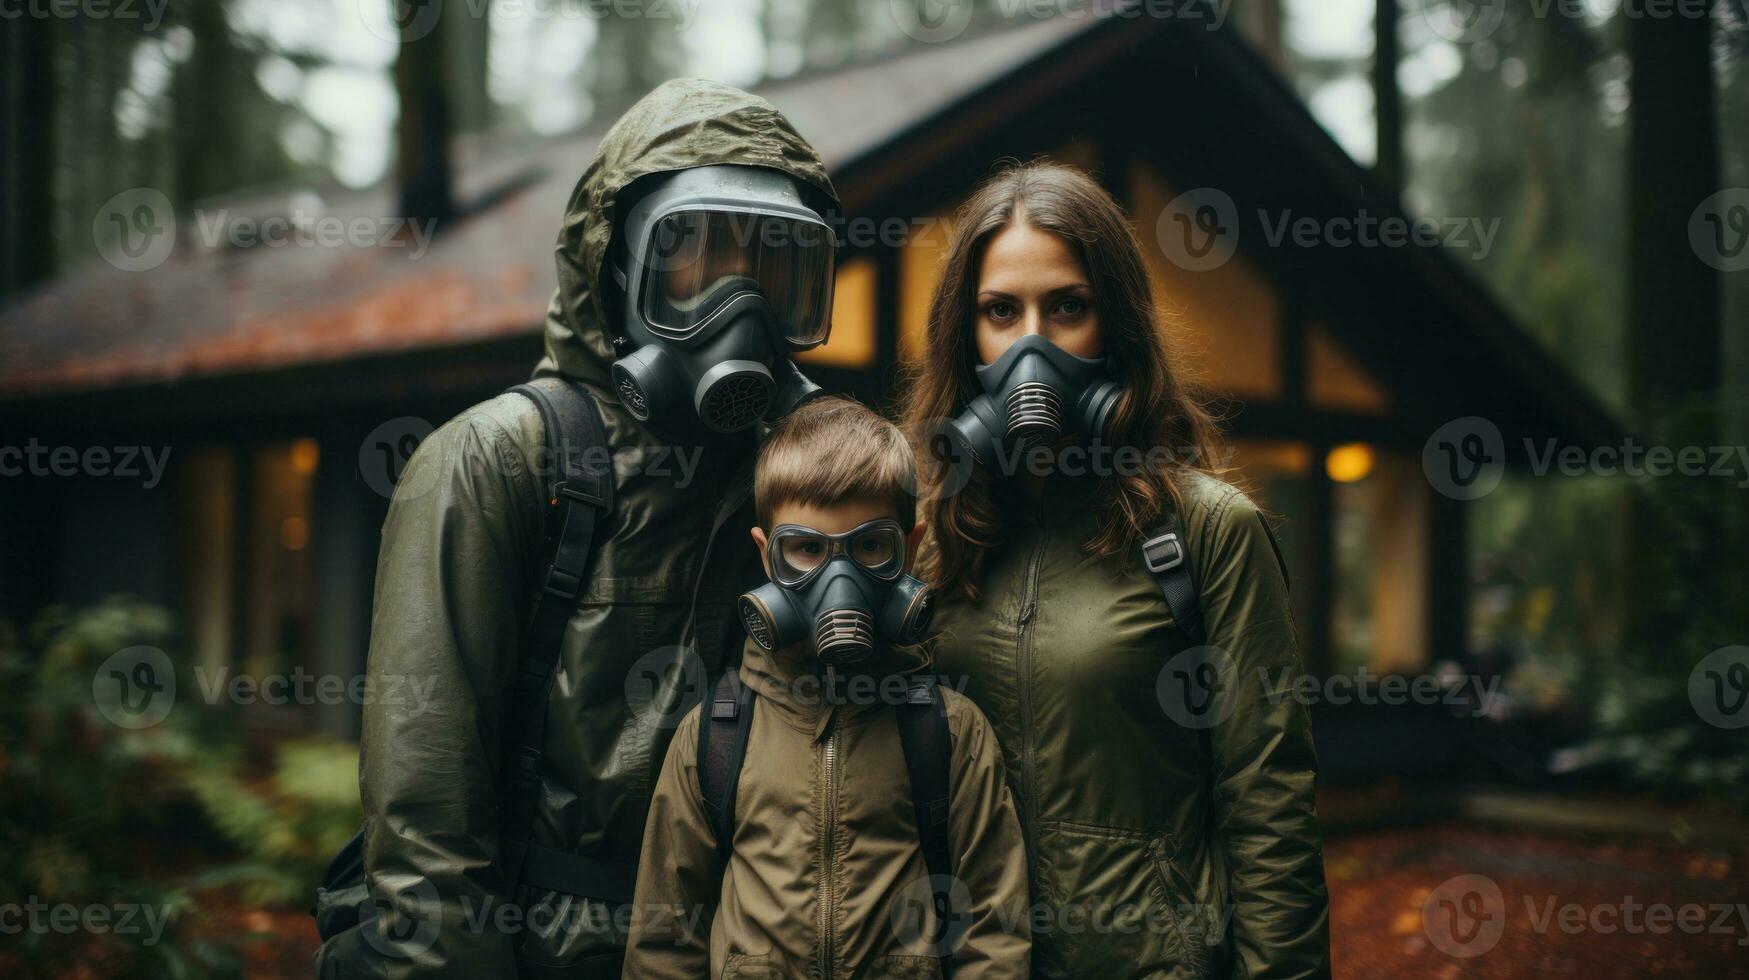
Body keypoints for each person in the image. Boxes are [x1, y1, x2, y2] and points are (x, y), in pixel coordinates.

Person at [325, 80, 842, 977]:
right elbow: (427, 840)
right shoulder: (494, 463)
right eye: (699, 258)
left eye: (770, 267)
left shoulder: (788, 480)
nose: (740, 307)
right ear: (614, 268)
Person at [902, 161, 1330, 978]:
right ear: (965, 334)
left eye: (1066, 306)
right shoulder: (929, 535)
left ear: (1117, 323)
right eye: (1000, 311)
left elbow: (1269, 806)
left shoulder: (1207, 531)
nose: (1033, 342)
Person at [624, 397, 1032, 979]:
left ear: (909, 549)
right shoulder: (714, 734)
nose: (838, 581)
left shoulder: (947, 730)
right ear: (768, 556)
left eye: (869, 547)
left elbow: (995, 934)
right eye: (807, 550)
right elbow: (663, 943)